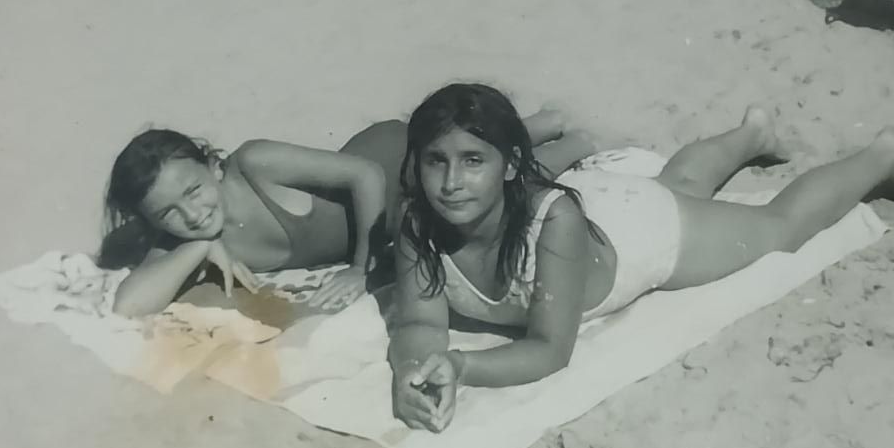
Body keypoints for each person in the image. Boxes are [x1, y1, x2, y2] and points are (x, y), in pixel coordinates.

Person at [387, 84, 894, 432]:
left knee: (776, 230)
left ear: (510, 165)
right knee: (678, 180)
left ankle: (881, 156)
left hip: (639, 233)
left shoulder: (549, 221)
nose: (452, 183)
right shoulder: (419, 221)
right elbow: (418, 320)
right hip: (602, 201)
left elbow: (550, 350)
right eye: (436, 162)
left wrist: (463, 367)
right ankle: (751, 136)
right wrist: (411, 372)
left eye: (472, 161)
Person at [100, 107, 592, 318]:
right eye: (168, 213)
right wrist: (203, 246)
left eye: (193, 190)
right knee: (466, 176)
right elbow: (128, 306)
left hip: (384, 169)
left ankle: (569, 140)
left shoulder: (251, 163)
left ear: (212, 165)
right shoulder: (182, 240)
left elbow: (365, 177)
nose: (190, 214)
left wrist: (360, 269)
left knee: (483, 185)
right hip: (386, 206)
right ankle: (535, 126)